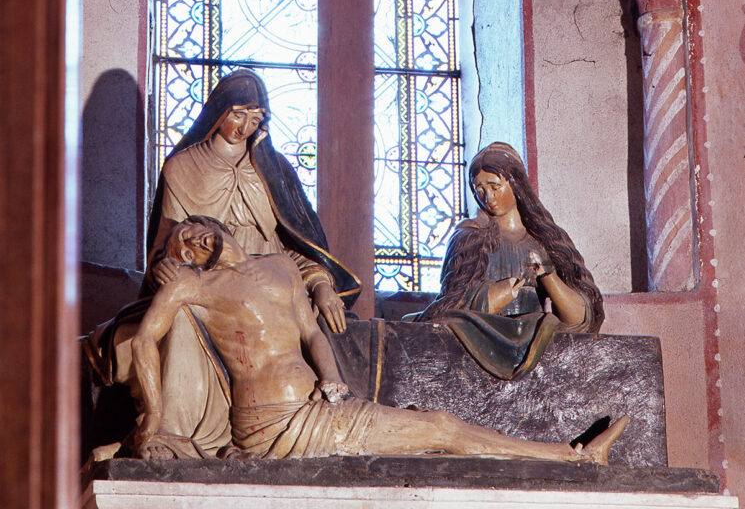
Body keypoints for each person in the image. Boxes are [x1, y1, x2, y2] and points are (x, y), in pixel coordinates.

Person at [130, 216, 628, 463]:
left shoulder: (281, 267)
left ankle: (570, 456)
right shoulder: (194, 286)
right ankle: (572, 456)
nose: (193, 242)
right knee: (438, 428)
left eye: (193, 230)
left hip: (318, 409)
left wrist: (331, 379)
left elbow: (311, 332)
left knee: (432, 433)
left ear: (214, 224)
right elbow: (143, 341)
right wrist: (152, 419)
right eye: (184, 248)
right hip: (272, 425)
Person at [85, 69, 359, 456]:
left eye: (255, 118)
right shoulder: (182, 168)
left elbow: (298, 248)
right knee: (179, 319)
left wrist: (322, 284)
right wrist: (164, 267)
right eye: (237, 115)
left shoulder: (275, 170)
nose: (244, 127)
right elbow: (167, 247)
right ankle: (178, 434)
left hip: (269, 286)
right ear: (218, 112)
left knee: (331, 330)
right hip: (207, 288)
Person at [414, 142, 603, 380]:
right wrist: (496, 294)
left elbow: (581, 319)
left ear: (515, 184)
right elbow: (451, 302)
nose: (488, 197)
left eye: (495, 186)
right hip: (480, 335)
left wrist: (549, 277)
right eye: (479, 189)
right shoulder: (469, 235)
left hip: (537, 336)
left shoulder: (546, 240)